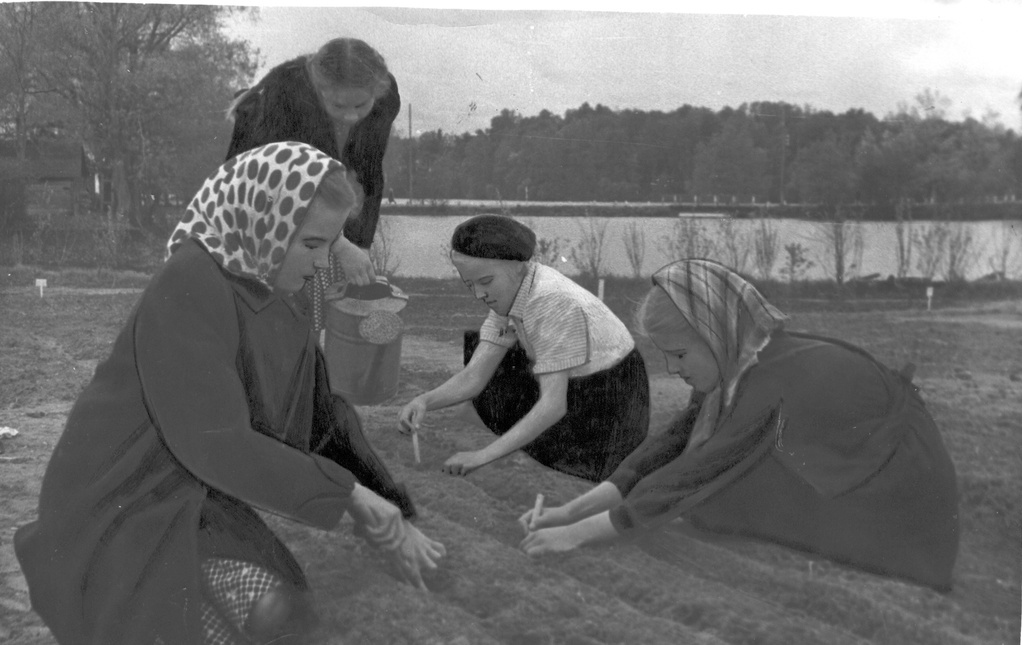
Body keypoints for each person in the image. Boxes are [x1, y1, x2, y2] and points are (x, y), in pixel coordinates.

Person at [14, 142, 445, 645]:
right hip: (119, 503)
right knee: (195, 627)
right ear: (266, 220)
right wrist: (351, 497)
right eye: (311, 244)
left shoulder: (287, 295)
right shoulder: (189, 281)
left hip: (198, 502)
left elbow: (322, 417)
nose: (323, 262)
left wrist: (390, 505)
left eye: (330, 245)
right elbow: (216, 443)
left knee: (282, 613)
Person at [519, 259, 960, 591]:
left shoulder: (772, 378)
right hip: (850, 471)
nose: (673, 369)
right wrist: (572, 511)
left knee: (708, 496)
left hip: (902, 502)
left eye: (679, 354)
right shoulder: (740, 360)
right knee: (704, 501)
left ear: (714, 336)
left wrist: (576, 536)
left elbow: (701, 469)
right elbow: (669, 445)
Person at [398, 214, 650, 482]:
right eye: (470, 284)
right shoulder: (512, 292)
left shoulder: (552, 301)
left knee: (535, 416)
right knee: (481, 349)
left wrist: (481, 456)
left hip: (609, 397)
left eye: (485, 282)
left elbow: (554, 405)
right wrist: (424, 400)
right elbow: (475, 375)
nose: (478, 295)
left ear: (518, 267)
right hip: (577, 385)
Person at [226, 37, 400, 334]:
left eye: (360, 105)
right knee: (275, 308)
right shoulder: (285, 93)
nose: (350, 116)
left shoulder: (385, 95)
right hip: (257, 189)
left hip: (310, 186)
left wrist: (361, 244)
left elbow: (368, 171)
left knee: (321, 304)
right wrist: (340, 245)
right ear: (320, 90)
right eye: (339, 105)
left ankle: (312, 359)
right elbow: (282, 184)